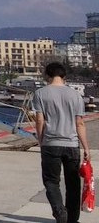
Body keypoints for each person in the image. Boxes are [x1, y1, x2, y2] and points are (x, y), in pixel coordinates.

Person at [32, 61, 91, 223]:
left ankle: (60, 212)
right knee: (73, 184)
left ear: (47, 75)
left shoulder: (40, 94)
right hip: (72, 145)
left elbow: (39, 120)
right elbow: (80, 123)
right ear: (64, 76)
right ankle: (72, 219)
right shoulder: (75, 95)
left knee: (51, 182)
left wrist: (41, 140)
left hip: (50, 144)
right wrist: (86, 147)